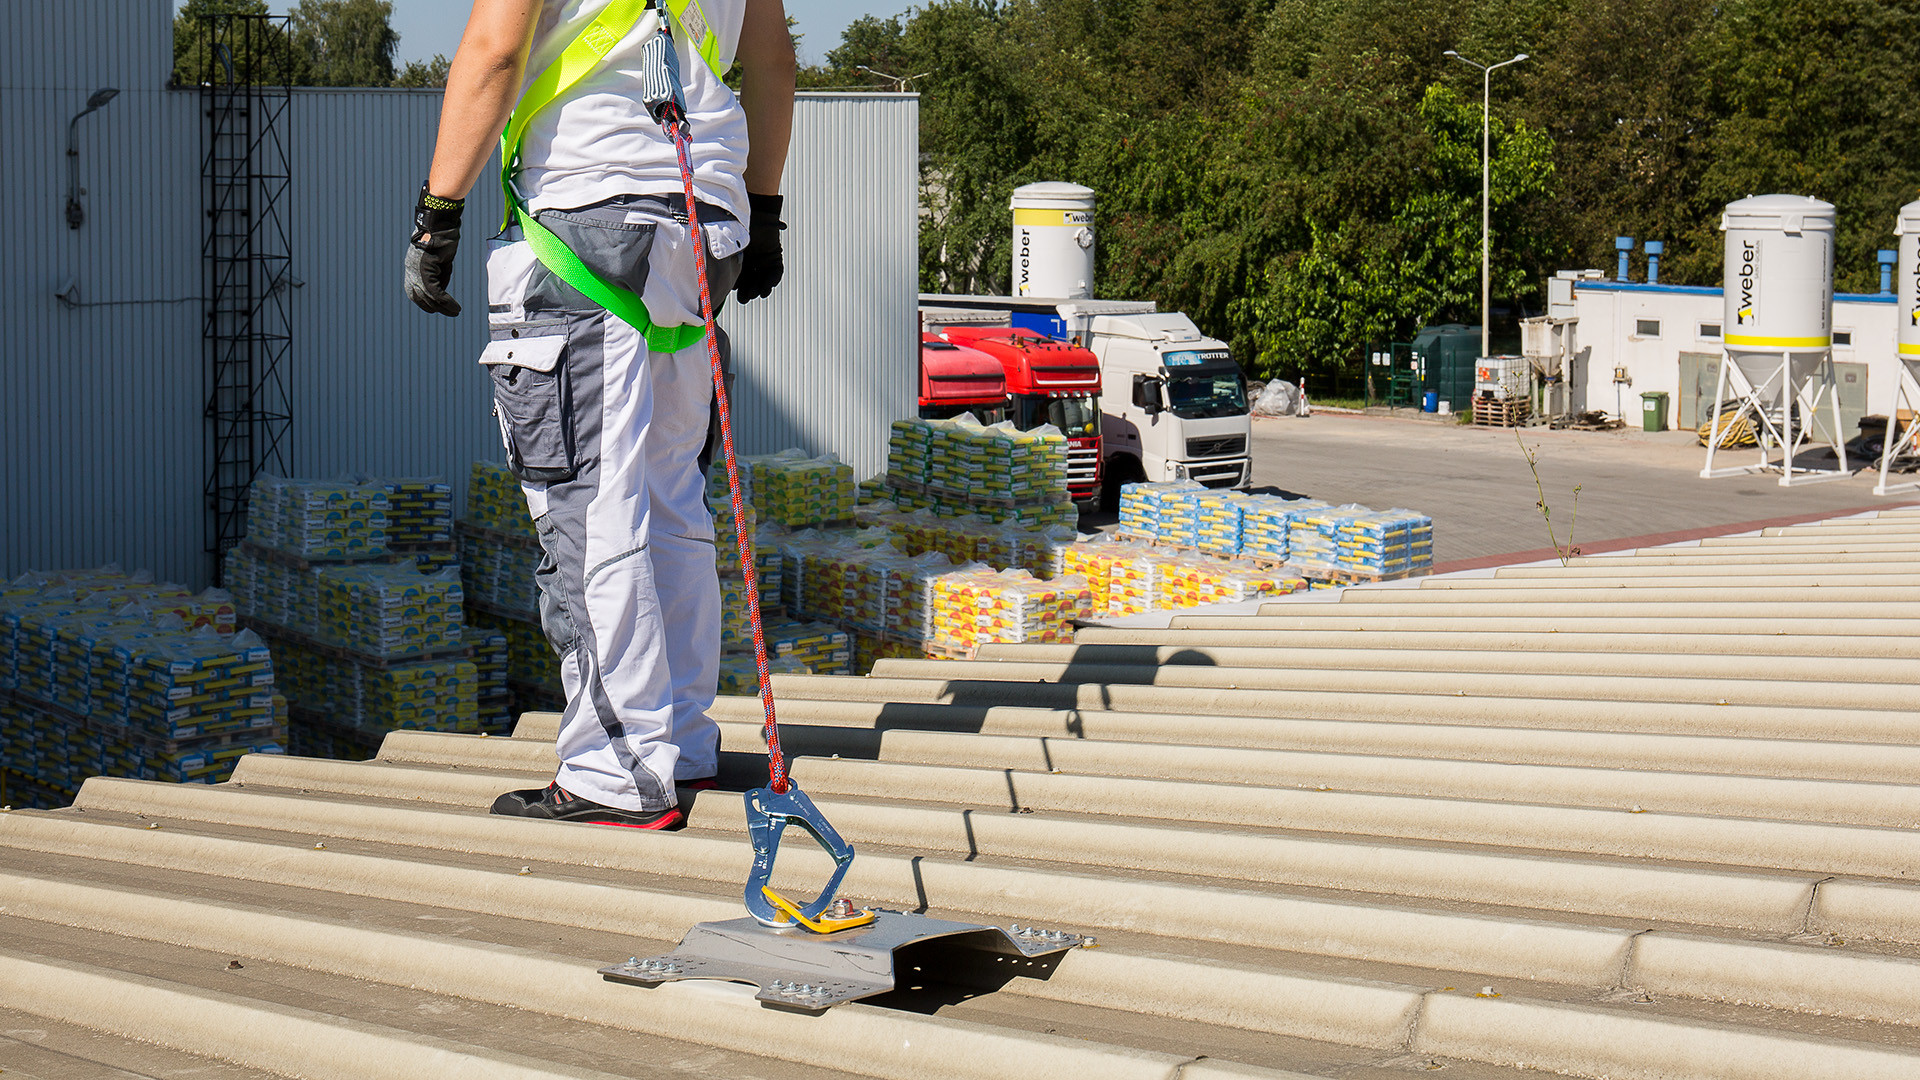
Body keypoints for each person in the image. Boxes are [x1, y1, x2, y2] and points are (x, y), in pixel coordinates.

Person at [404, 0, 795, 829]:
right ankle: (681, 740)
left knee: (587, 501)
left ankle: (615, 769)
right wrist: (763, 212)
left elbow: (494, 49)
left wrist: (438, 212)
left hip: (586, 211)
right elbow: (772, 64)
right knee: (665, 494)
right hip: (703, 218)